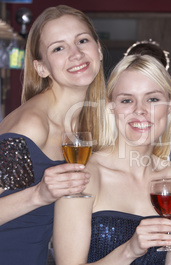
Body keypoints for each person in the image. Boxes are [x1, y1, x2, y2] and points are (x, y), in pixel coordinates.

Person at [53, 54, 171, 265]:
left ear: (170, 105)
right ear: (111, 107)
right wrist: (130, 250)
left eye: (153, 99)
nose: (140, 110)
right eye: (127, 100)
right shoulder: (82, 175)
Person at [0, 5, 105, 265]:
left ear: (99, 50)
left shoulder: (85, 123)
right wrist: (39, 195)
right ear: (41, 68)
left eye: (82, 40)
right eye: (58, 48)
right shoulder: (31, 125)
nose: (76, 53)